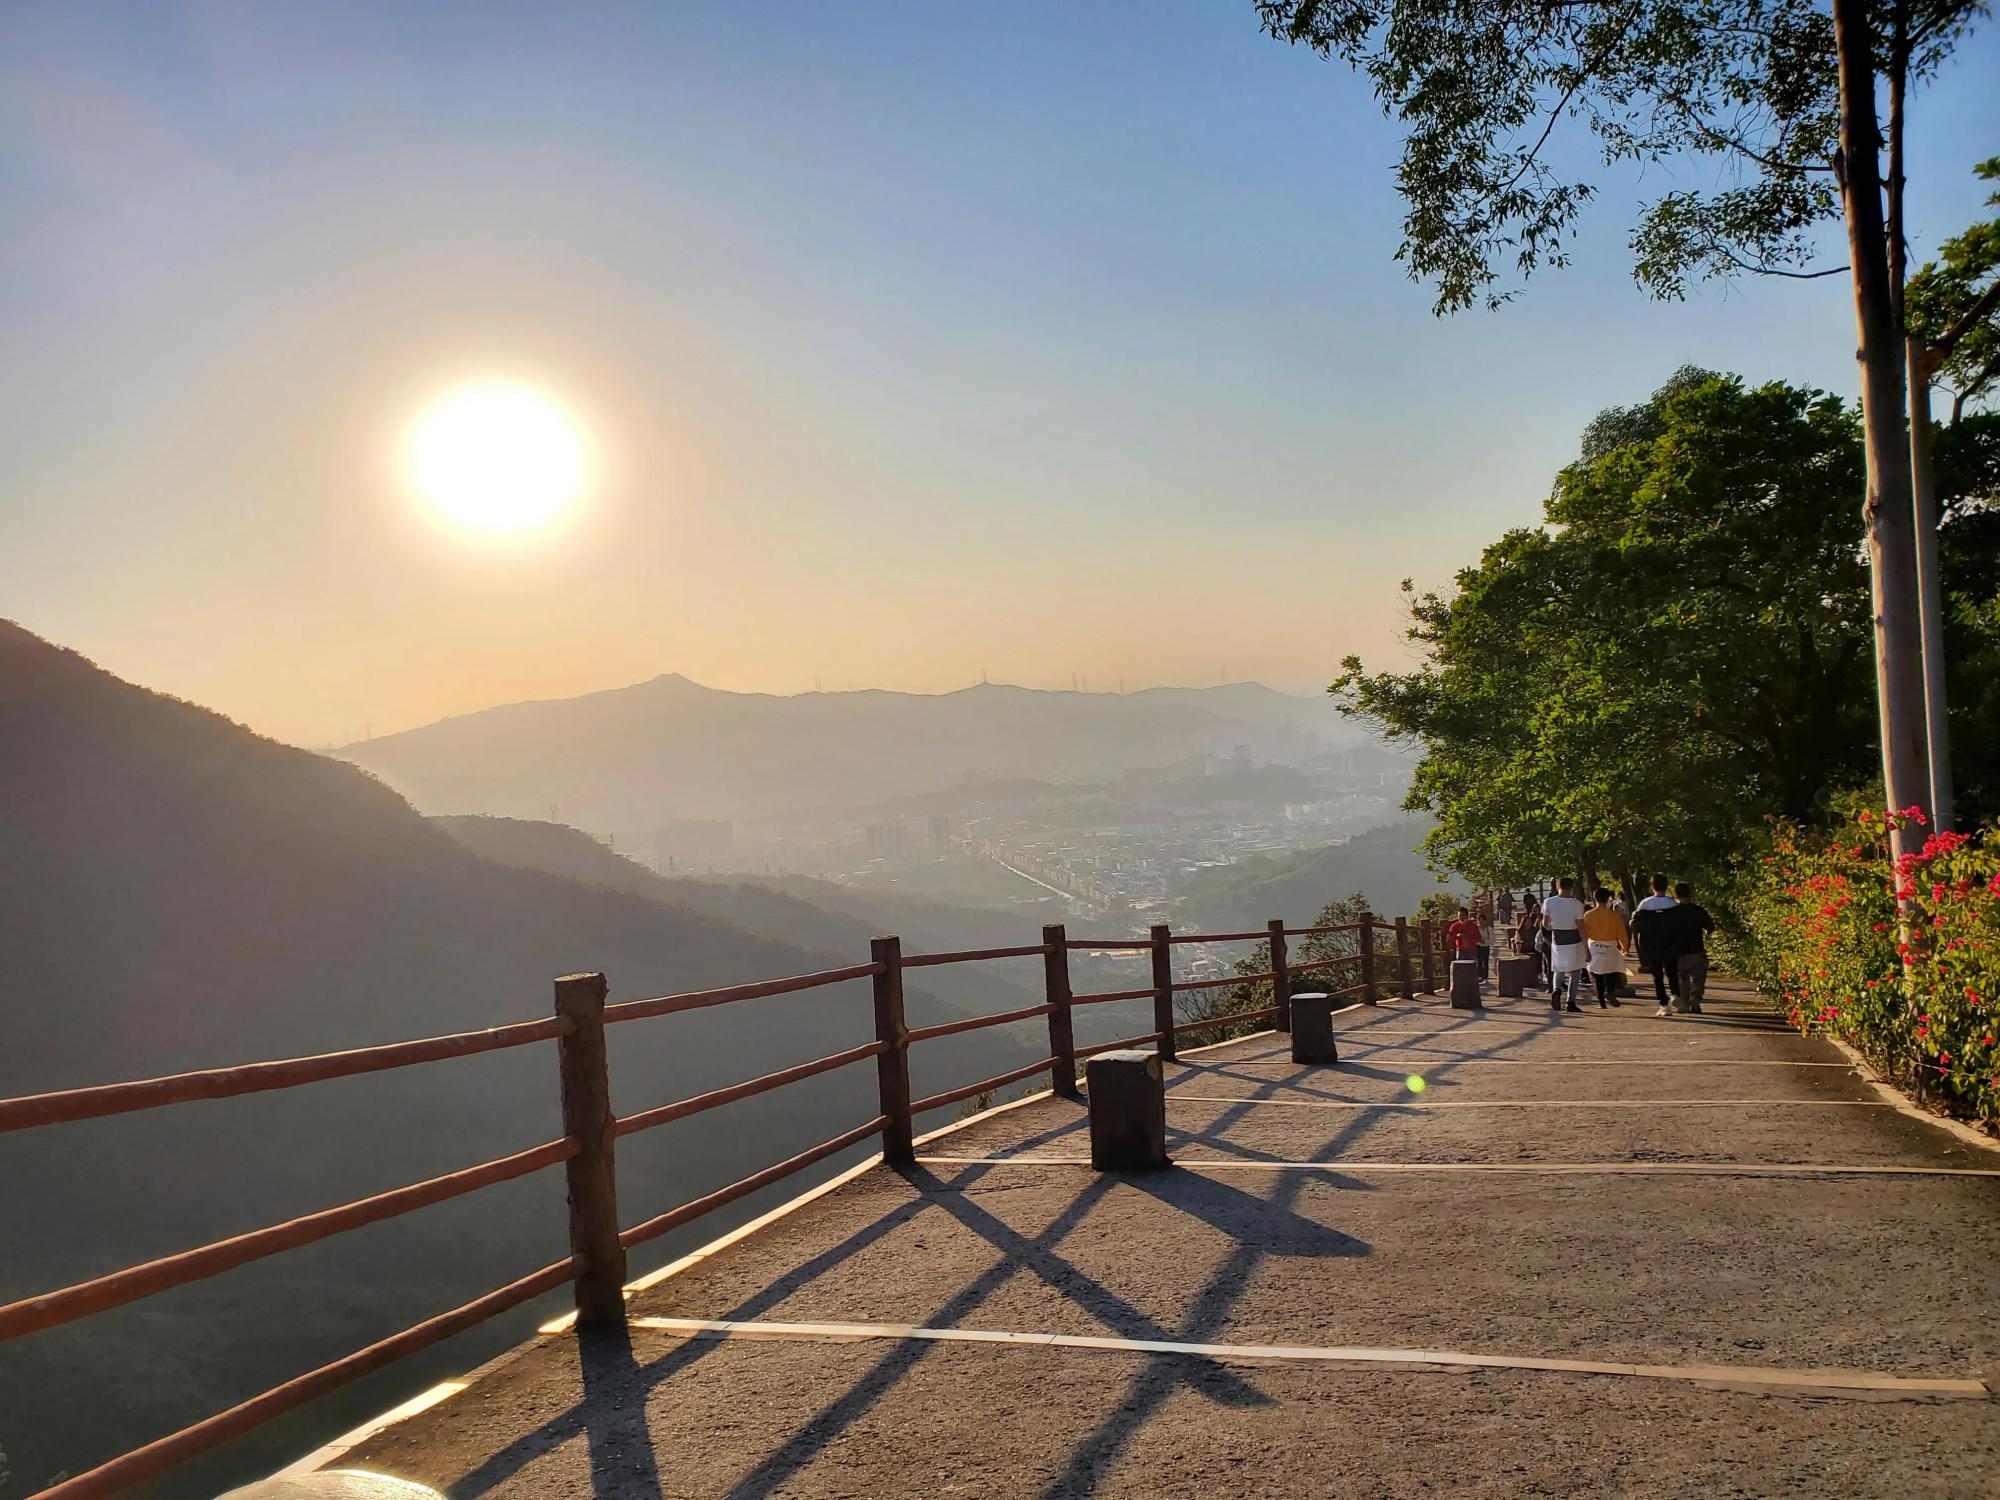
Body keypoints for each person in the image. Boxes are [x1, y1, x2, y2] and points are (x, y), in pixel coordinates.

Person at [1629, 874, 1683, 1016]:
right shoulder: (1673, 905)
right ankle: (1675, 994)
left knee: (1657, 976)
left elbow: (1635, 924)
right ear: (1666, 886)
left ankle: (1664, 1005)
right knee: (1672, 972)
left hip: (1652, 946)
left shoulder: (1645, 904)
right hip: (1671, 945)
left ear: (1652, 886)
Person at [1540, 877, 1587, 1012]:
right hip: (1574, 938)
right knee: (1575, 971)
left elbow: (1545, 924)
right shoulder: (1577, 904)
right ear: (1572, 888)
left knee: (1558, 968)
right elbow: (1580, 927)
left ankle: (1556, 989)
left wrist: (1552, 926)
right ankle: (1570, 1002)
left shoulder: (1549, 902)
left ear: (1558, 886)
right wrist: (1586, 947)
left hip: (1557, 937)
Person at [1667, 881, 1715, 1014]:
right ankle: (1695, 995)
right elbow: (1710, 927)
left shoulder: (1671, 912)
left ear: (1675, 894)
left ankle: (1683, 1002)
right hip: (1696, 950)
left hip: (1677, 952)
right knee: (1699, 977)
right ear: (1690, 894)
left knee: (1681, 978)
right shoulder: (1698, 910)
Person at [1579, 887, 1629, 1008]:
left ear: (1594, 898)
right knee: (1613, 971)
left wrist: (1584, 950)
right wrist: (1624, 947)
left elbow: (1584, 934)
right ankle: (1609, 992)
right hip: (1611, 947)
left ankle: (1601, 1001)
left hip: (1595, 947)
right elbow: (1622, 933)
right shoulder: (1614, 915)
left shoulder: (1588, 915)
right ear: (1608, 899)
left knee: (1597, 976)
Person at [1445, 905, 1483, 978]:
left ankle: (1472, 987)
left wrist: (1468, 940)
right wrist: (1457, 935)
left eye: (1463, 915)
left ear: (1467, 916)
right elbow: (1448, 938)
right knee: (1460, 971)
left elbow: (1479, 939)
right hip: (1460, 950)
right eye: (1459, 915)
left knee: (1472, 971)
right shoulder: (1454, 926)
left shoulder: (1473, 926)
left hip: (1472, 950)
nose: (1461, 917)